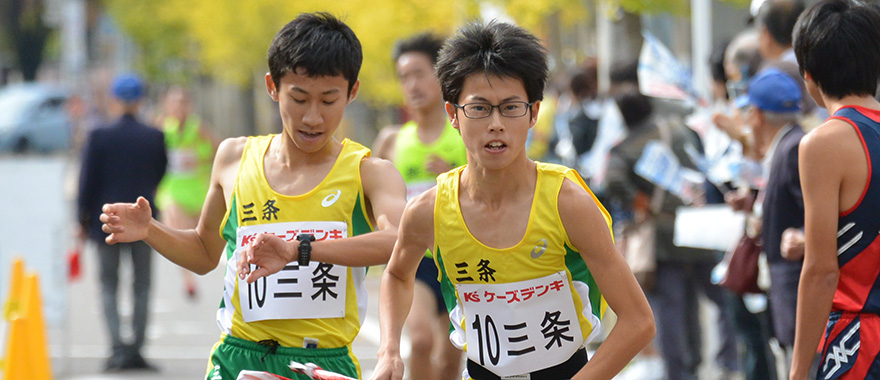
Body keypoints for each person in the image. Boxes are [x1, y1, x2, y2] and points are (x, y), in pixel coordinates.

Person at [100, 13, 407, 380]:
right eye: (299, 98)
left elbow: (397, 241)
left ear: (351, 92)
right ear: (273, 87)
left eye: (328, 100)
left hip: (322, 363)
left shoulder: (370, 172)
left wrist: (299, 251)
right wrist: (150, 229)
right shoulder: (232, 158)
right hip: (238, 360)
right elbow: (202, 252)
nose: (312, 117)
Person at [365, 21, 655, 380]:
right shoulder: (429, 210)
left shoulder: (568, 202)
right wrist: (389, 350)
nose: (496, 123)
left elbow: (638, 321)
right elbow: (395, 273)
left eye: (511, 107)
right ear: (453, 114)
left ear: (533, 113)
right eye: (480, 108)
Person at [789, 0, 880, 379]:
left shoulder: (824, 144)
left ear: (808, 74)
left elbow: (822, 271)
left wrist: (796, 371)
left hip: (861, 340)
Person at [372, 32, 466, 380]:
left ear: (440, 74)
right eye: (403, 77)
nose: (411, 85)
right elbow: (369, 196)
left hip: (460, 258)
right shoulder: (392, 140)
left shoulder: (464, 133)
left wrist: (457, 176)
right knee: (422, 341)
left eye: (419, 73)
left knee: (451, 358)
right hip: (416, 260)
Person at [77, 73, 168, 372]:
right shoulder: (154, 136)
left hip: (107, 221)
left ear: (115, 100)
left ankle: (117, 347)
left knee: (108, 284)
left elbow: (87, 182)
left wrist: (81, 218)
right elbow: (160, 173)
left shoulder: (99, 135)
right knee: (142, 285)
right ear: (140, 100)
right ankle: (137, 349)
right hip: (144, 221)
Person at [737, 68, 806, 378]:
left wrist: (803, 237)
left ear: (756, 114)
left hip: (795, 286)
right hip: (787, 286)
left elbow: (819, 216)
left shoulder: (792, 150)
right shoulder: (789, 144)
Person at [154, 86, 218, 299]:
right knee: (178, 228)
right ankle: (188, 279)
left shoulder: (197, 127)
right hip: (172, 188)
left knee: (198, 236)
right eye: (174, 102)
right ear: (167, 106)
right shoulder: (163, 128)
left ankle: (199, 268)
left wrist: (198, 159)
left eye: (182, 102)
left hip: (196, 188)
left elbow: (218, 149)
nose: (178, 107)